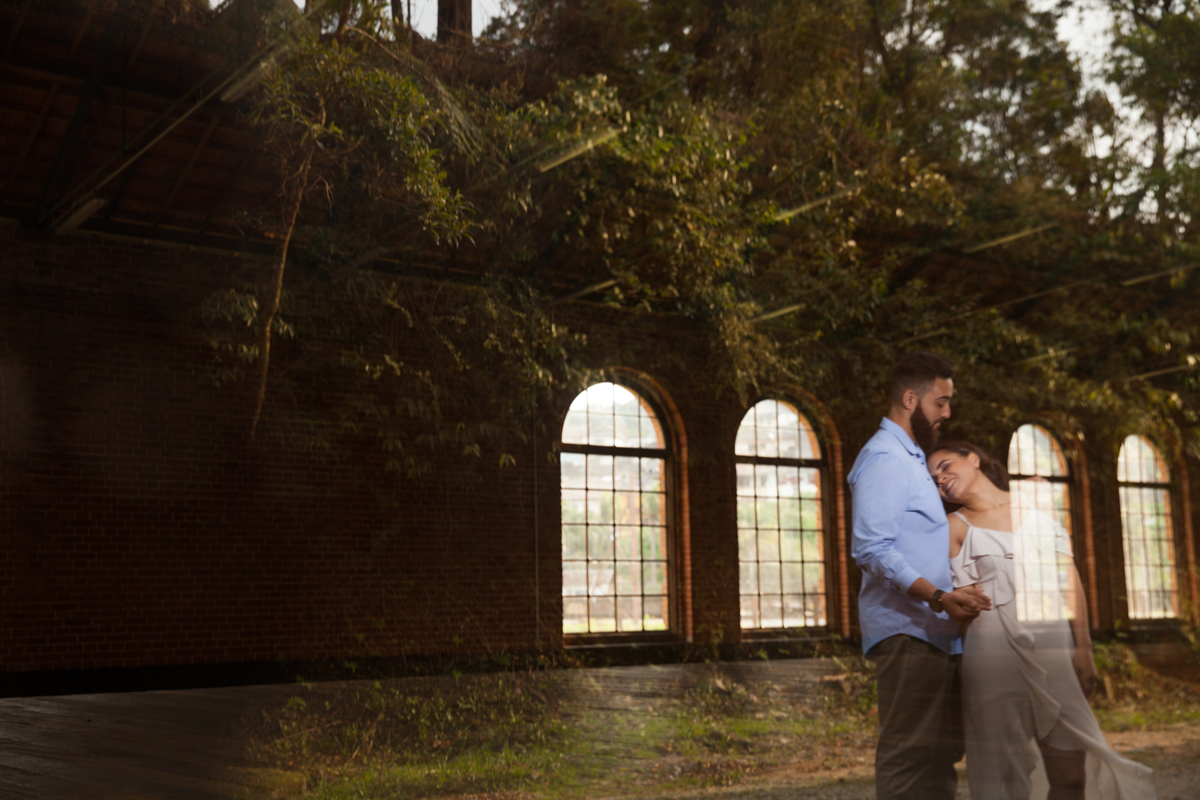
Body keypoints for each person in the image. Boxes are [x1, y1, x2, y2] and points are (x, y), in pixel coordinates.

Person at [928, 440, 1156, 800]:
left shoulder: (1035, 500)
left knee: (1070, 776)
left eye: (944, 466)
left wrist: (1083, 646)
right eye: (933, 479)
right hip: (993, 654)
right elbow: (963, 604)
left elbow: (1069, 577)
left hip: (1054, 648)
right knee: (1001, 774)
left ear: (973, 458)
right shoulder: (952, 527)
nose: (939, 479)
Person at [848, 352, 991, 800]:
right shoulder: (885, 458)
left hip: (936, 632)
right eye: (941, 402)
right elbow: (871, 549)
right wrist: (938, 597)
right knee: (909, 757)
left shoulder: (912, 459)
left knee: (937, 760)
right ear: (911, 399)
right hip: (909, 632)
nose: (947, 413)